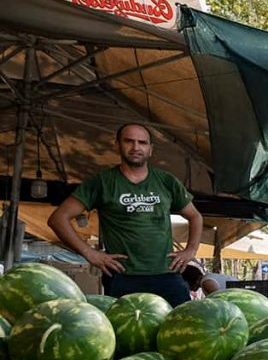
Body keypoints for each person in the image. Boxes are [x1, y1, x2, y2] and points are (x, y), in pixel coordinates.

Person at [48, 123, 202, 307]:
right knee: (126, 333)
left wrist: (190, 250)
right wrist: (89, 253)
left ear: (150, 149)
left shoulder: (166, 181)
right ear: (117, 145)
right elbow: (58, 219)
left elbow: (195, 216)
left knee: (181, 326)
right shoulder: (101, 182)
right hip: (123, 276)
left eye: (142, 143)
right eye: (129, 141)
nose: (136, 147)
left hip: (167, 273)